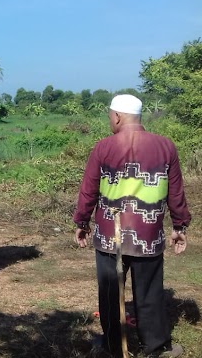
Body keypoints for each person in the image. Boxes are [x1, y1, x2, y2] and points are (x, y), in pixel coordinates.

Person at [73, 94, 190, 358]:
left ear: (117, 116)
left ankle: (113, 345)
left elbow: (89, 190)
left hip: (108, 235)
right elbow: (176, 193)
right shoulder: (165, 146)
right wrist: (179, 226)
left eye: (109, 116)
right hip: (147, 234)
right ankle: (156, 347)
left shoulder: (103, 147)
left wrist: (81, 221)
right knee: (149, 291)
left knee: (110, 292)